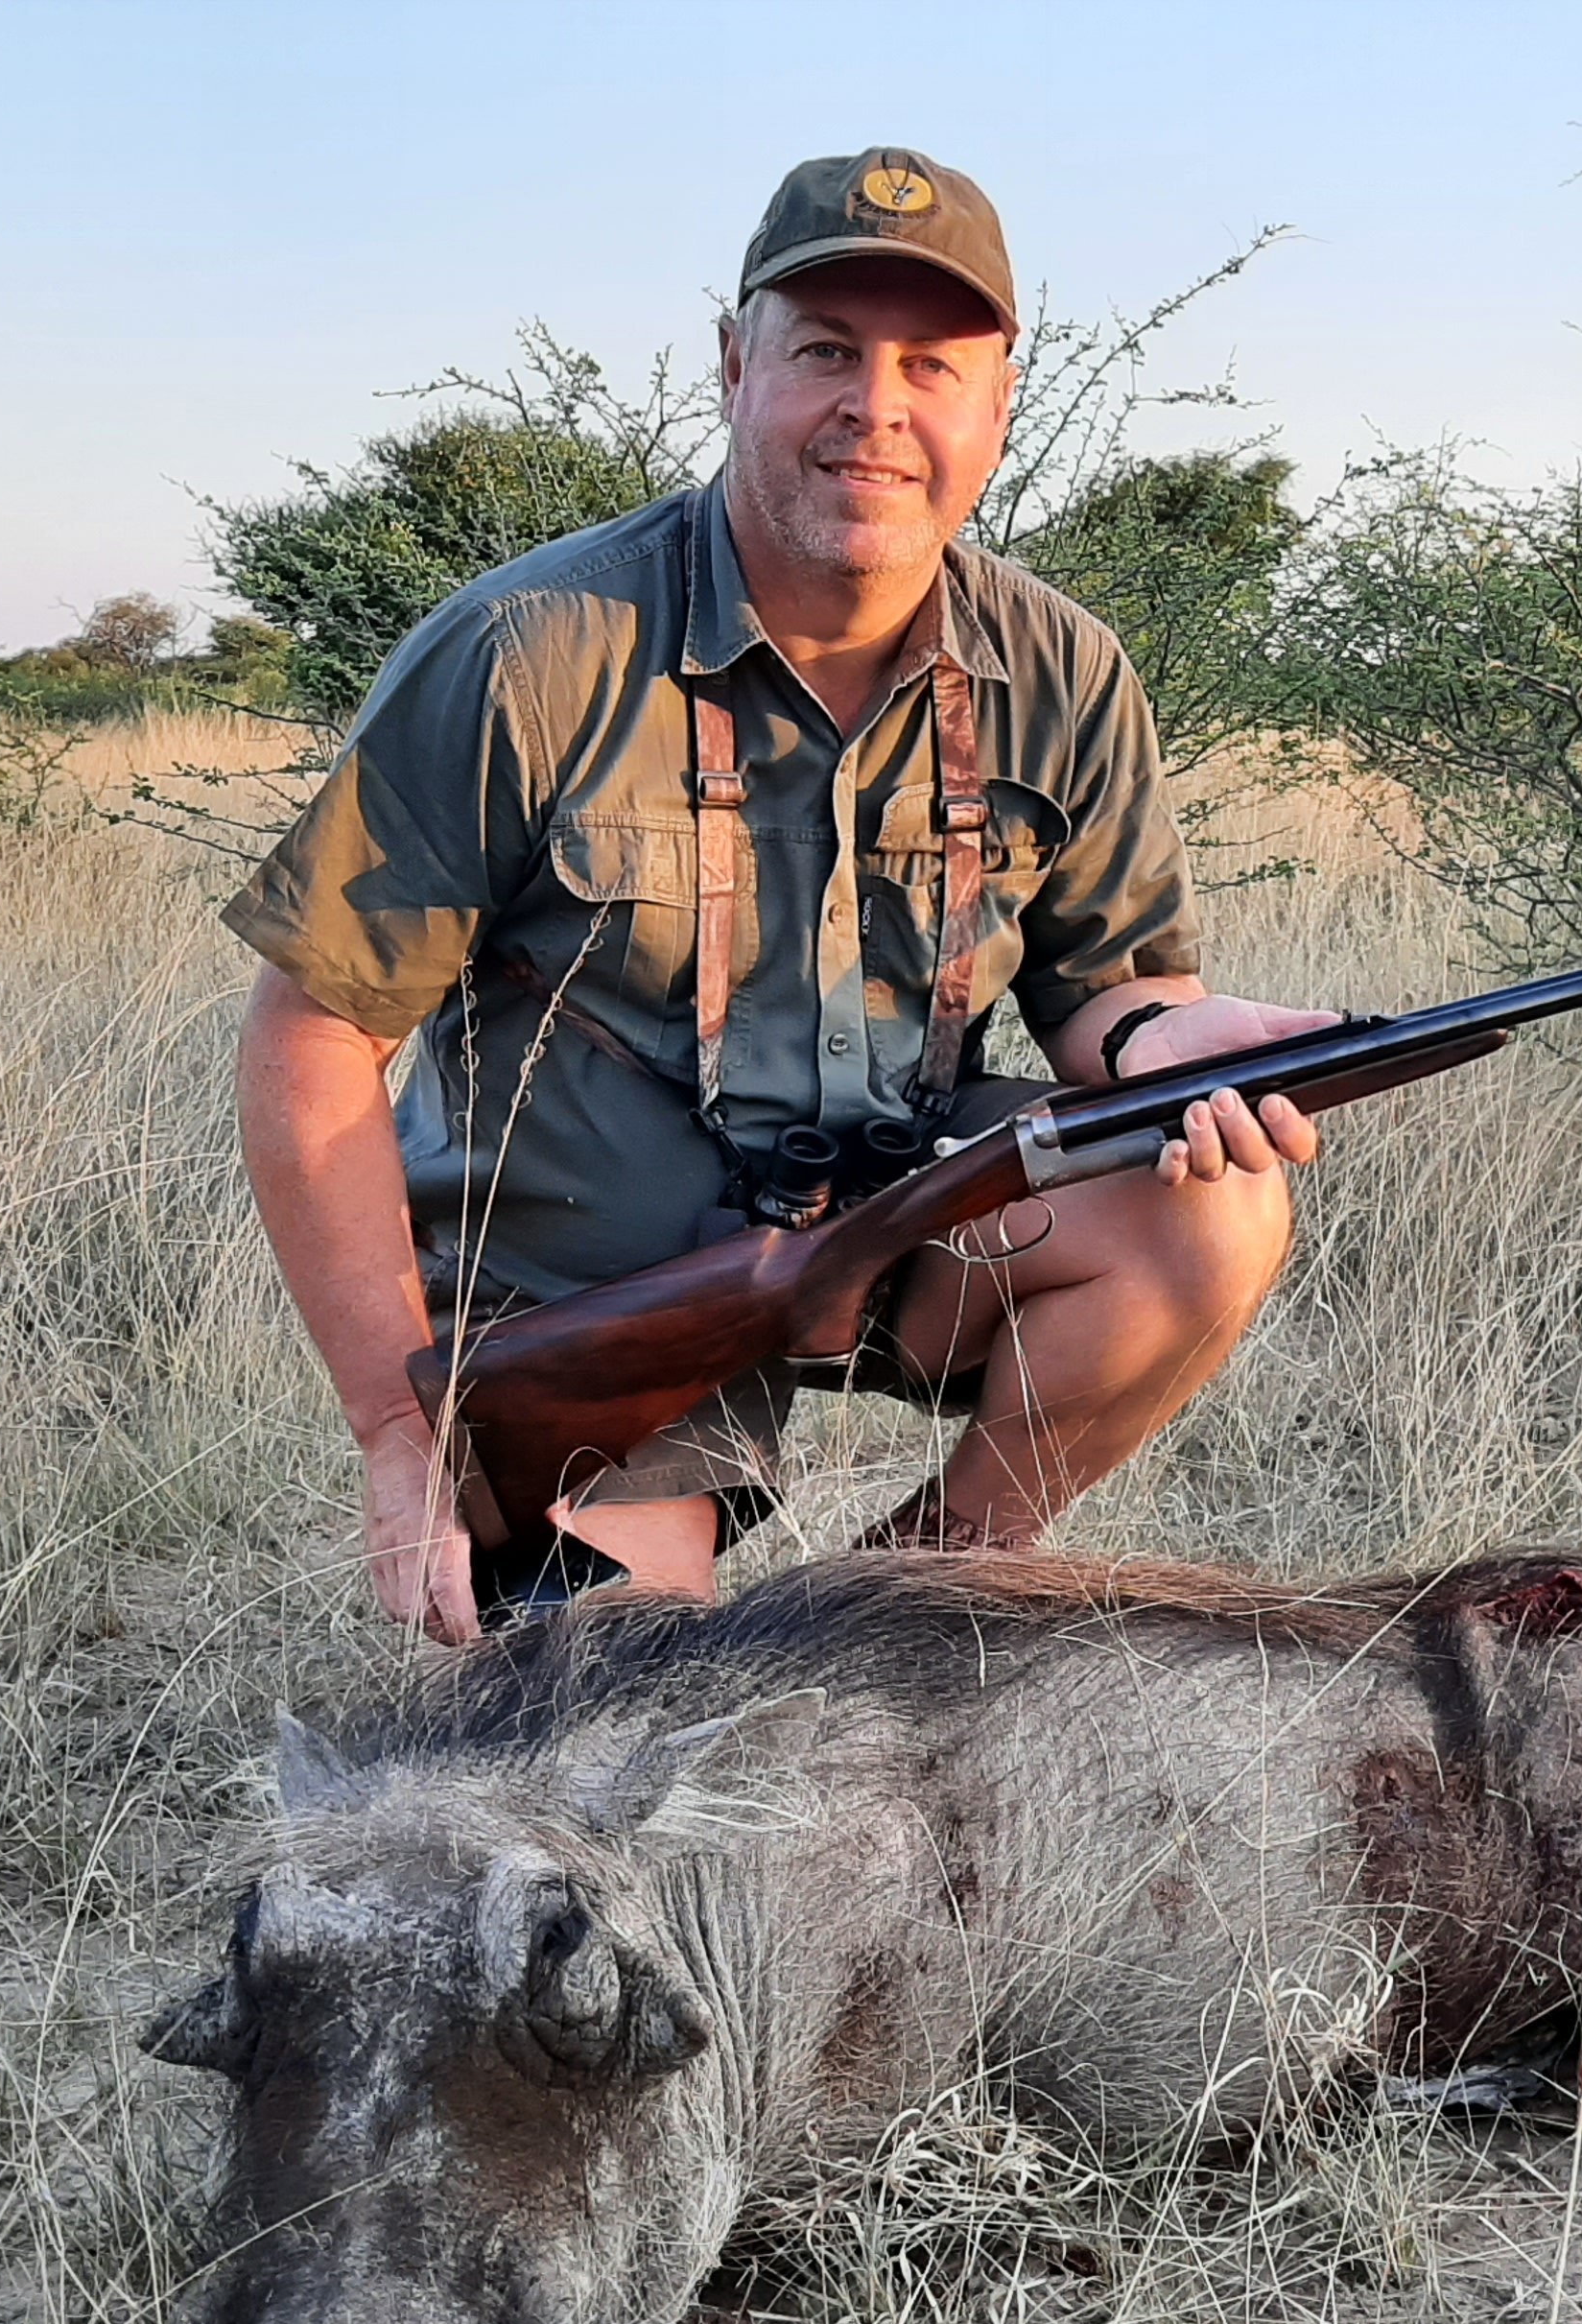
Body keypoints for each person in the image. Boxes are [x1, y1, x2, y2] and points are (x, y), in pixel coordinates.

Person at [226, 147, 1333, 1643]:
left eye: (931, 365)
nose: (874, 407)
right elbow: (313, 1038)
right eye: (826, 350)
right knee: (599, 1697)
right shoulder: (527, 650)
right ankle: (638, 1572)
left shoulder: (1067, 670)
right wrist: (395, 1429)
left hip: (891, 1221)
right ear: (736, 365)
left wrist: (1162, 1049)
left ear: (998, 407)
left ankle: (897, 1616)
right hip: (586, 1289)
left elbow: (1102, 990)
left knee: (1213, 1211)